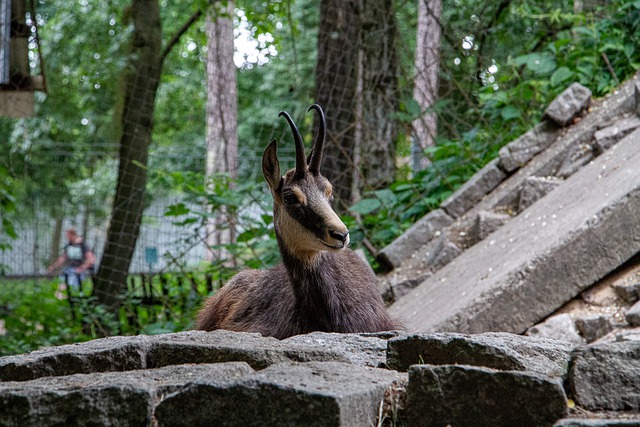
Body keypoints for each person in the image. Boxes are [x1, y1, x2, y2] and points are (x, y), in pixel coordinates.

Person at [47, 228, 95, 299]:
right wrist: (53, 267)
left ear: (73, 235)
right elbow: (63, 258)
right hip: (69, 269)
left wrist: (82, 268)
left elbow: (91, 258)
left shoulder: (83, 245)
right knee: (62, 279)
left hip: (79, 270)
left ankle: (67, 296)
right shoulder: (69, 245)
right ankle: (63, 297)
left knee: (70, 282)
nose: (67, 238)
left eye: (68, 236)